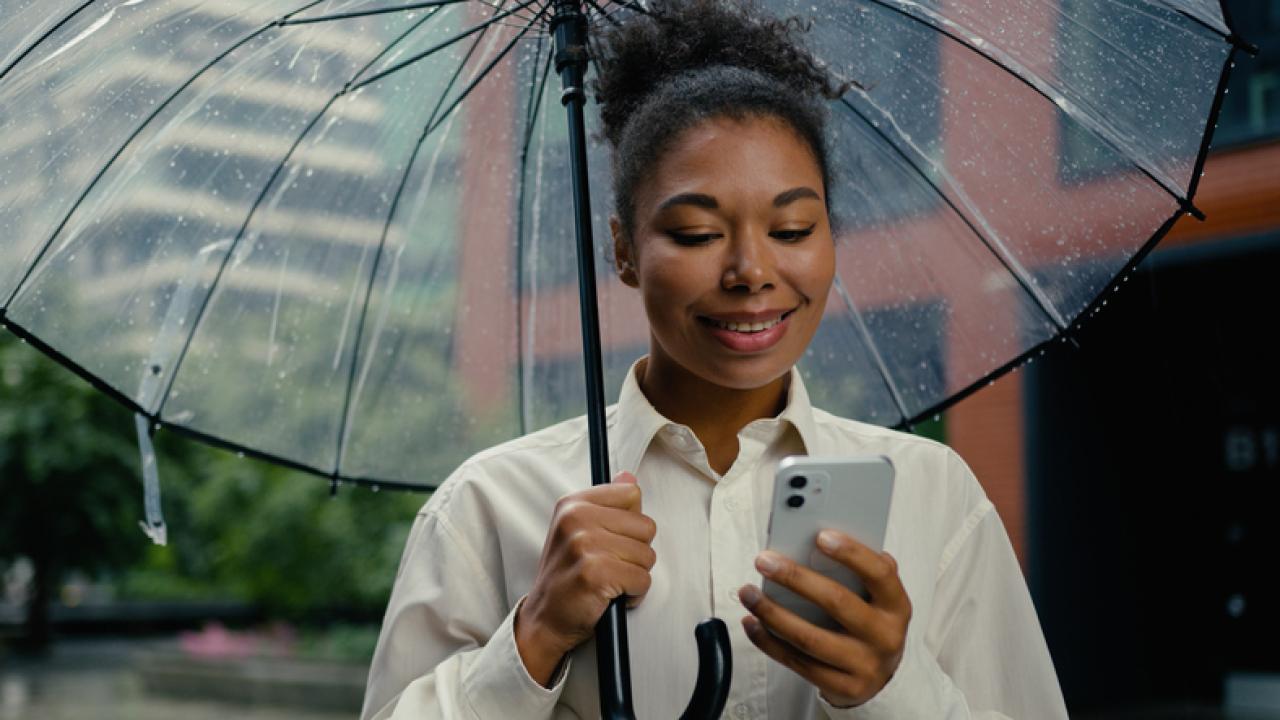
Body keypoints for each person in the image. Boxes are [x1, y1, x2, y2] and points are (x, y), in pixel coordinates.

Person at [362, 1, 1068, 717]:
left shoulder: (935, 496)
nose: (751, 271)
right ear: (624, 251)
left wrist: (894, 687)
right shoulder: (488, 505)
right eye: (697, 233)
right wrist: (534, 635)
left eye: (792, 227)